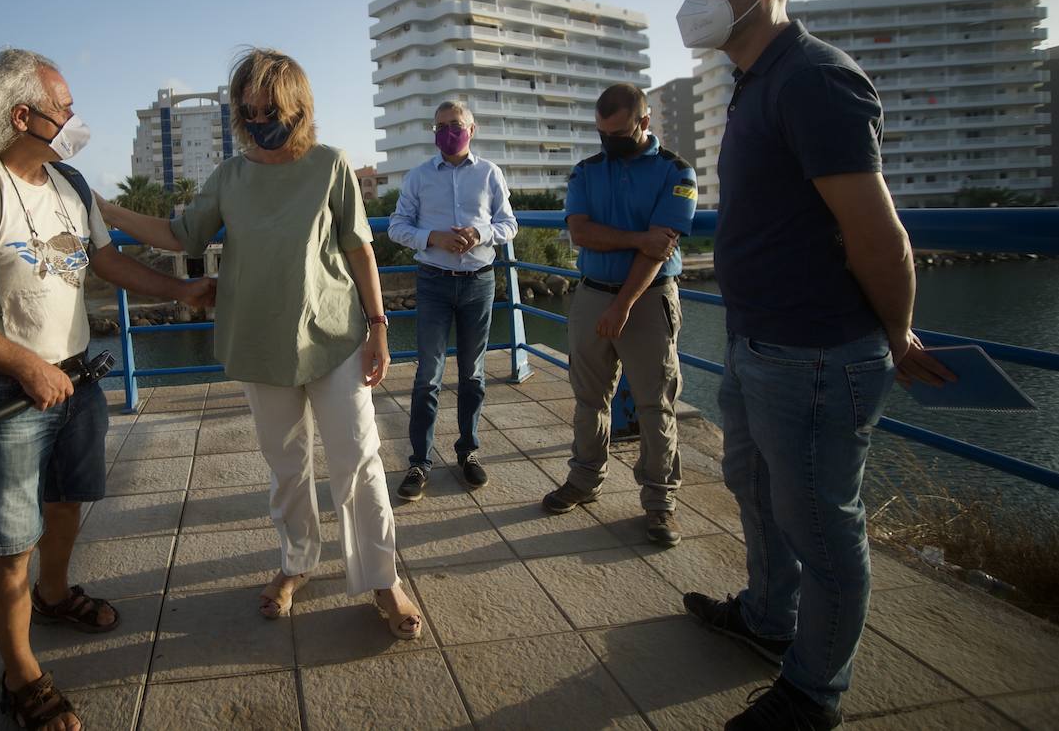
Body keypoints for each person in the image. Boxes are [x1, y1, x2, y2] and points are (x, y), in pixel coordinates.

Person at [674, 0, 954, 731]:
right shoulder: (756, 82)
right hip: (757, 341)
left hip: (818, 354)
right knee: (757, 492)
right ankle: (769, 619)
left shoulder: (813, 80)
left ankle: (813, 693)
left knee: (824, 531)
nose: (691, 1)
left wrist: (896, 335)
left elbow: (878, 234)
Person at [0, 48, 213, 731]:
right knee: (10, 540)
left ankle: (52, 595)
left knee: (68, 501)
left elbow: (105, 262)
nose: (75, 120)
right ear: (22, 115)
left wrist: (183, 291)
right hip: (6, 392)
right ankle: (21, 675)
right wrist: (25, 366)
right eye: (64, 108)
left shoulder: (69, 182)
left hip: (75, 378)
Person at [97, 47, 423, 639]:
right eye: (248, 112)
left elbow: (358, 249)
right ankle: (297, 563)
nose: (258, 121)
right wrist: (100, 207)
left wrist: (379, 326)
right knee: (287, 467)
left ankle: (382, 577)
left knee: (358, 460)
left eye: (269, 110)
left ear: (297, 106)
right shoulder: (231, 175)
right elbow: (180, 234)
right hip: (260, 340)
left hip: (335, 334)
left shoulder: (330, 165)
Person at [543, 84, 696, 549]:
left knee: (655, 403)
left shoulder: (676, 172)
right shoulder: (587, 171)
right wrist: (636, 238)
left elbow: (660, 247)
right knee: (589, 397)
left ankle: (660, 502)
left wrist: (623, 305)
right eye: (602, 134)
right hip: (592, 294)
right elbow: (581, 233)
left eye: (619, 133)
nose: (610, 142)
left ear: (644, 123)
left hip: (647, 300)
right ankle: (585, 479)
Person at [387, 101, 517, 500]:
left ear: (471, 129)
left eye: (455, 125)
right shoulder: (419, 177)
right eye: (440, 126)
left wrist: (480, 234)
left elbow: (509, 224)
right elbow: (396, 226)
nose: (448, 132)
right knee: (428, 375)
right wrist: (433, 237)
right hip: (433, 283)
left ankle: (468, 452)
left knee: (473, 374)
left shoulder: (490, 173)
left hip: (479, 282)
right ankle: (419, 462)